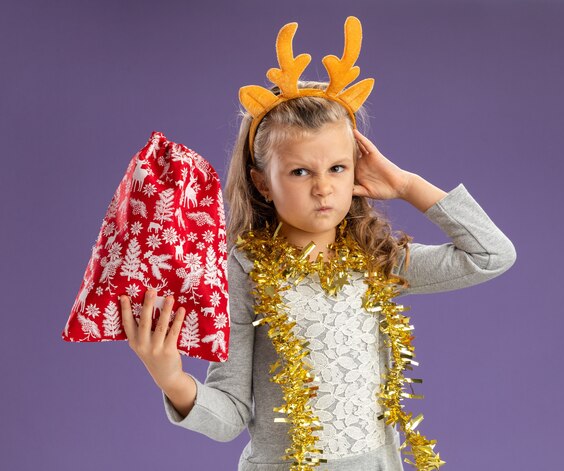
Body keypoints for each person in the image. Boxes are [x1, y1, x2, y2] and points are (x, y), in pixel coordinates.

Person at [119, 17, 516, 471]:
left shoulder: (376, 261)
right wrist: (171, 378)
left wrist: (407, 184)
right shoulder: (245, 272)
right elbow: (230, 416)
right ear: (262, 183)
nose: (323, 189)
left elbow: (490, 256)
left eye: (337, 168)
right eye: (301, 171)